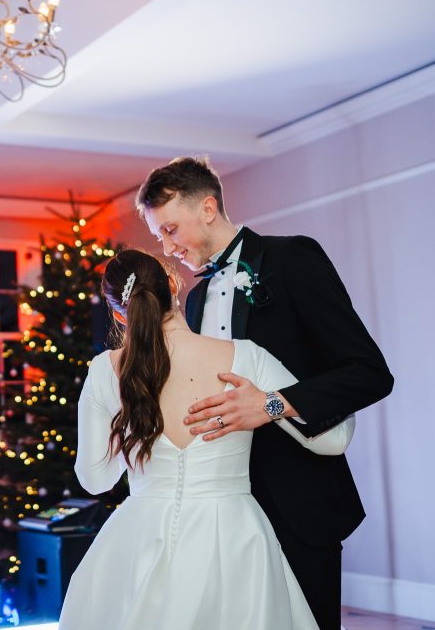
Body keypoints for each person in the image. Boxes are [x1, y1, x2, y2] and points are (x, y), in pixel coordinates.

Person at [136, 156, 394, 628]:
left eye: (171, 230)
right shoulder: (193, 300)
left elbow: (370, 372)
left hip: (298, 497)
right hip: (223, 507)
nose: (168, 247)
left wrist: (272, 404)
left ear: (208, 208)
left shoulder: (292, 258)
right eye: (160, 237)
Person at [59, 250, 356, 628]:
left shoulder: (105, 370)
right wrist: (274, 406)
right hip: (233, 535)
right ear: (173, 287)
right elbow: (332, 441)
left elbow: (94, 480)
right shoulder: (245, 356)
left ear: (119, 313)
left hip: (139, 537)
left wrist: (131, 423)